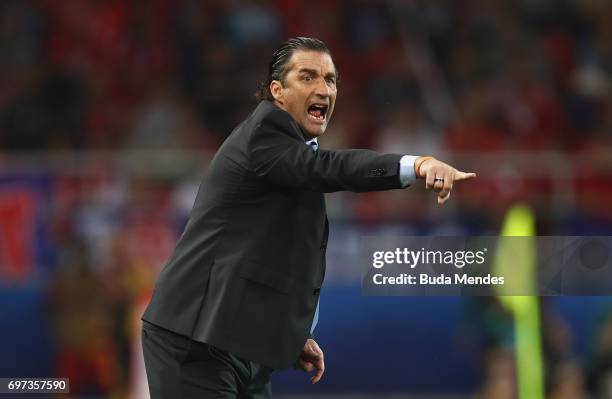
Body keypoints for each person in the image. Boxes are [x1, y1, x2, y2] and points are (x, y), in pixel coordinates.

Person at [141, 37, 475, 398]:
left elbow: (268, 254)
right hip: (194, 339)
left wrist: (291, 332)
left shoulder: (290, 157)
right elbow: (330, 168)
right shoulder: (264, 133)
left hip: (239, 342)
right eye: (307, 77)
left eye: (330, 80)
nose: (323, 89)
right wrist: (415, 165)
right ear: (277, 91)